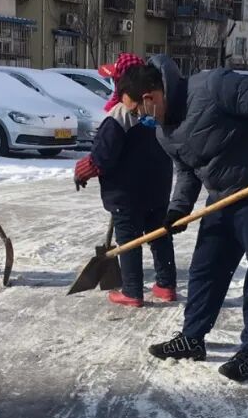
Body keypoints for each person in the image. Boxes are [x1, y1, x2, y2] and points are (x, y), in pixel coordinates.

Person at [116, 56, 248, 382]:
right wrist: (178, 208)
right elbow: (188, 169)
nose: (137, 118)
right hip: (223, 198)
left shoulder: (212, 86)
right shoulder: (164, 133)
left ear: (149, 97)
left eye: (136, 111)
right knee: (205, 268)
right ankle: (192, 337)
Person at [73, 53, 176, 307]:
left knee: (129, 240)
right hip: (158, 188)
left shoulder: (119, 115)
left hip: (126, 194)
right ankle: (166, 285)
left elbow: (102, 157)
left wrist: (83, 170)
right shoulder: (158, 108)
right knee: (159, 235)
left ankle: (132, 291)